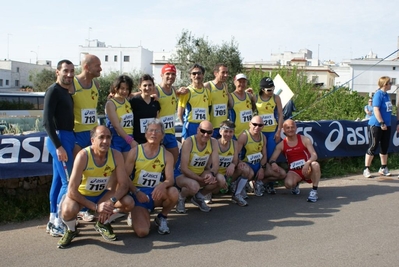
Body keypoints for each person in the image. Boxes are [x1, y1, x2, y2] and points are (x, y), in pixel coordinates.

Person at [57, 125, 135, 248]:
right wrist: (96, 207)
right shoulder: (83, 156)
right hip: (82, 196)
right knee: (67, 210)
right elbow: (71, 190)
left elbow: (124, 185)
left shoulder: (116, 155)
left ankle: (103, 222)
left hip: (102, 195)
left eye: (108, 137)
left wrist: (111, 202)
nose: (105, 141)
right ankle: (71, 230)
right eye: (101, 137)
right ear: (93, 140)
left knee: (129, 202)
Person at [125, 119, 178, 237]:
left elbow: (170, 179)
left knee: (173, 192)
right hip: (139, 195)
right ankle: (136, 214)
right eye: (151, 130)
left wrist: (163, 185)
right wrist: (136, 191)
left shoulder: (167, 155)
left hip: (156, 194)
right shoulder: (135, 151)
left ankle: (162, 217)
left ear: (162, 135)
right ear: (146, 133)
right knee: (142, 232)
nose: (154, 134)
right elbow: (125, 176)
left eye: (157, 131)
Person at [42, 59, 75, 237]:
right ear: (57, 72)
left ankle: (52, 218)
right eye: (65, 71)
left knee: (57, 180)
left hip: (67, 137)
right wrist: (59, 146)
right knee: (68, 182)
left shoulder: (66, 92)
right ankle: (59, 222)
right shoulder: (53, 91)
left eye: (72, 71)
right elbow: (46, 122)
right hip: (60, 138)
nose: (69, 74)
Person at [175, 120, 225, 213]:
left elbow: (216, 165)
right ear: (198, 130)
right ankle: (180, 198)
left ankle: (199, 197)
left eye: (209, 132)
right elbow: (184, 168)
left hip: (200, 173)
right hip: (182, 175)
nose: (206, 135)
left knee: (220, 179)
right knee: (194, 186)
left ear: (212, 132)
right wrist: (199, 179)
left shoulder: (213, 142)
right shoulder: (189, 142)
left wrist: (211, 174)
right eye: (203, 131)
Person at [269, 119, 321, 202]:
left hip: (307, 169)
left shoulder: (305, 139)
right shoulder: (281, 145)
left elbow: (314, 155)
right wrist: (273, 163)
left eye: (292, 127)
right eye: (288, 128)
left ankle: (314, 191)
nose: (290, 130)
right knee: (288, 184)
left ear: (296, 128)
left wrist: (308, 163)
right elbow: (272, 159)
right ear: (284, 130)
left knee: (315, 165)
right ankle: (295, 184)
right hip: (295, 171)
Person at [236, 115, 286, 197]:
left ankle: (258, 183)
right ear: (249, 124)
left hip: (258, 164)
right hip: (247, 165)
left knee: (282, 174)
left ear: (263, 126)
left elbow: (264, 155)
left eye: (260, 125)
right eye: (254, 124)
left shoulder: (263, 137)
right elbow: (236, 154)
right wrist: (240, 163)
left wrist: (262, 168)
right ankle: (240, 187)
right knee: (249, 173)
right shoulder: (244, 136)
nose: (257, 127)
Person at [255, 77, 284, 192]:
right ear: (262, 89)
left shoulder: (276, 98)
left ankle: (269, 183)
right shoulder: (255, 97)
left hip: (272, 131)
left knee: (271, 157)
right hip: (259, 131)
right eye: (268, 90)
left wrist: (278, 131)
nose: (271, 92)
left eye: (272, 89)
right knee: (259, 156)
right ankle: (255, 180)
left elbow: (281, 115)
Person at [155, 64, 188, 164]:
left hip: (170, 132)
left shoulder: (173, 90)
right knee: (157, 161)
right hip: (158, 133)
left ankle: (171, 178)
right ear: (161, 75)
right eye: (167, 74)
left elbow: (175, 95)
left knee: (175, 158)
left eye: (173, 74)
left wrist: (182, 91)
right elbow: (142, 93)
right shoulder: (156, 90)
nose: (171, 76)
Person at [72, 54, 102, 157]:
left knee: (92, 168)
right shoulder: (72, 84)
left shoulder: (96, 85)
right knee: (77, 168)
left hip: (93, 133)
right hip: (77, 133)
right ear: (86, 67)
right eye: (97, 66)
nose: (100, 69)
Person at [363, 76, 393, 178]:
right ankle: (366, 168)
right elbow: (376, 109)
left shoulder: (387, 95)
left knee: (384, 146)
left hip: (387, 125)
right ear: (385, 84)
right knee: (373, 145)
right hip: (376, 124)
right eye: (390, 83)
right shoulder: (378, 94)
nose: (391, 85)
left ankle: (383, 167)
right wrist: (381, 122)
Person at [217, 120, 251, 206]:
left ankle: (236, 194)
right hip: (216, 175)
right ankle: (207, 193)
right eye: (226, 131)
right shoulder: (214, 144)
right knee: (218, 184)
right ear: (220, 131)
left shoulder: (234, 143)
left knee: (245, 169)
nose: (228, 134)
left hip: (228, 174)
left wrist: (232, 164)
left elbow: (235, 160)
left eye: (231, 132)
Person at [105, 75, 137, 159]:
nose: (125, 91)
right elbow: (116, 126)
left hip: (129, 138)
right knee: (117, 169)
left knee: (127, 170)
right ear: (116, 88)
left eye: (127, 89)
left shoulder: (127, 100)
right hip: (117, 139)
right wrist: (131, 141)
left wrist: (150, 94)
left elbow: (138, 93)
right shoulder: (111, 104)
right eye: (122, 88)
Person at [177, 63, 212, 141]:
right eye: (194, 73)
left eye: (199, 73)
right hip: (191, 125)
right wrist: (185, 125)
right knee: (187, 149)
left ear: (203, 75)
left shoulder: (207, 92)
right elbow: (179, 113)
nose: (197, 76)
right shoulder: (186, 92)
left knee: (202, 151)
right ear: (190, 76)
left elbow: (209, 110)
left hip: (204, 126)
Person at [130, 74, 161, 144]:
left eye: (150, 85)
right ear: (139, 87)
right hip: (137, 142)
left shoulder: (155, 102)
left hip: (152, 141)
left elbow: (157, 120)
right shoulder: (133, 101)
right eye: (145, 85)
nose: (147, 88)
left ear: (153, 86)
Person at [204, 64, 230, 138]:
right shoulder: (208, 86)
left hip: (224, 127)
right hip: (212, 128)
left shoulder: (225, 86)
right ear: (216, 73)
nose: (225, 75)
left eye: (227, 72)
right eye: (223, 72)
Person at [228, 73, 256, 138]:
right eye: (239, 82)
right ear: (235, 82)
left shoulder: (249, 96)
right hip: (236, 134)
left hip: (249, 133)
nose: (242, 84)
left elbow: (255, 108)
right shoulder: (230, 97)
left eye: (244, 82)